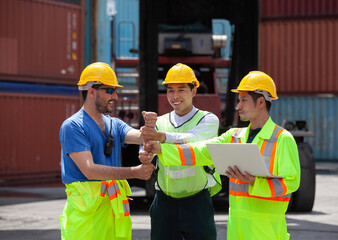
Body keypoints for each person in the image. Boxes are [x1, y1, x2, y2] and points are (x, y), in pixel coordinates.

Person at [141, 71, 301, 240]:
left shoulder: (282, 139)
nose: (238, 106)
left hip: (266, 230)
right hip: (237, 227)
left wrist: (255, 182)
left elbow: (291, 182)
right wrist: (161, 149)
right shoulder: (234, 136)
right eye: (239, 100)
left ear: (261, 102)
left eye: (243, 100)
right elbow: (200, 151)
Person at [59, 62, 156, 240]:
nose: (116, 96)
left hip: (113, 218)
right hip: (86, 223)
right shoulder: (73, 127)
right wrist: (135, 172)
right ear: (91, 91)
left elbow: (140, 136)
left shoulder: (114, 124)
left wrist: (150, 130)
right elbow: (90, 170)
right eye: (110, 90)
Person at [140, 63, 222, 240]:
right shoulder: (159, 122)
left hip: (197, 202)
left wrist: (159, 137)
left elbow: (194, 140)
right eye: (170, 90)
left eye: (181, 90)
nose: (175, 96)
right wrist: (145, 152)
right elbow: (147, 150)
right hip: (164, 202)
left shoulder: (208, 120)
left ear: (194, 91)